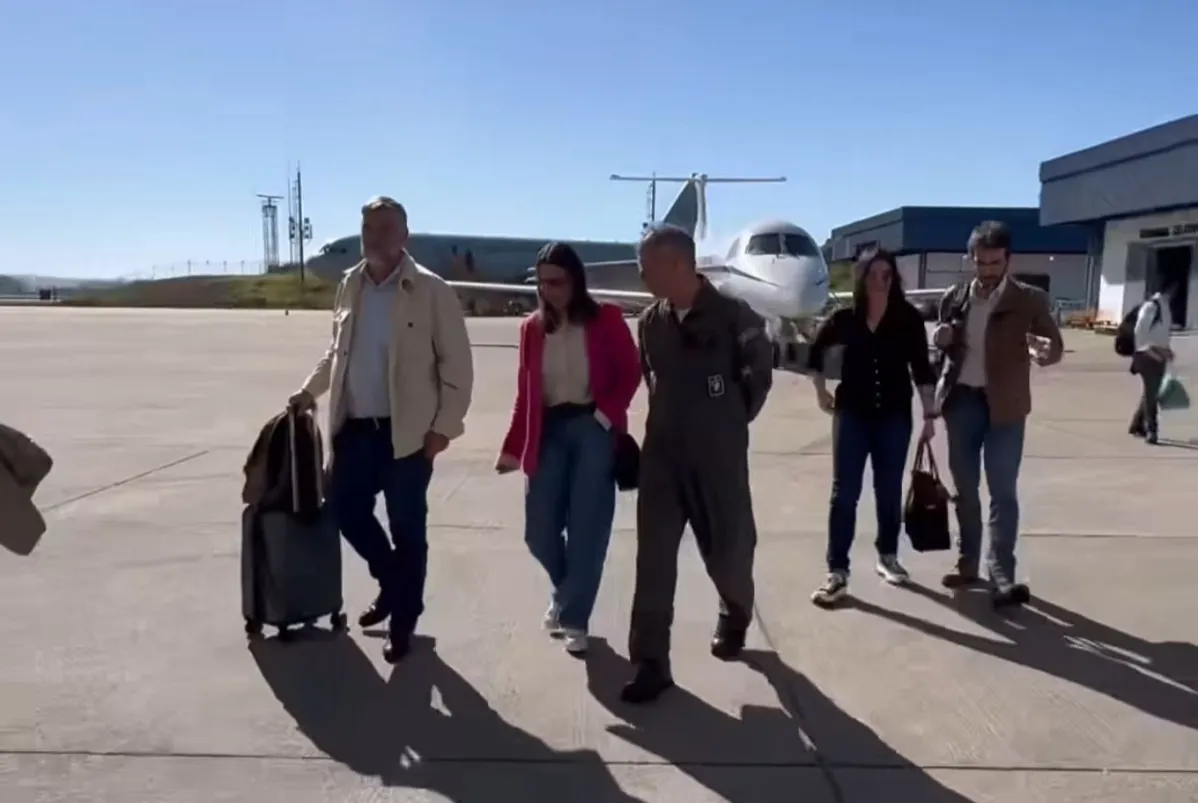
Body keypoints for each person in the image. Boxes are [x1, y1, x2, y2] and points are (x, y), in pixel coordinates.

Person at [288, 195, 474, 663]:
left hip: (408, 433)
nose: (375, 237)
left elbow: (457, 367)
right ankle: (394, 584)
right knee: (344, 511)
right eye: (368, 228)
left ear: (405, 236)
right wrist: (309, 391)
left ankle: (404, 622)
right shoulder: (350, 285)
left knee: (408, 529)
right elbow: (336, 353)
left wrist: (443, 429)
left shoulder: (431, 290)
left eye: (386, 229)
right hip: (355, 429)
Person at [622, 224, 774, 705]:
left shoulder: (735, 317)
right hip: (663, 460)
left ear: (676, 264)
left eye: (646, 266)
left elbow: (758, 379)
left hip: (717, 460)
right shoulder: (651, 323)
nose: (641, 275)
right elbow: (652, 379)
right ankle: (651, 662)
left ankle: (735, 610)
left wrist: (723, 423)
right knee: (653, 562)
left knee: (729, 553)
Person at [495, 242, 642, 656]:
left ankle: (575, 619)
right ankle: (566, 595)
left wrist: (606, 416)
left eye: (556, 282)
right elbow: (525, 393)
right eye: (541, 283)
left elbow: (630, 372)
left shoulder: (607, 318)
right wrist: (512, 447)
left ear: (576, 280)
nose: (548, 290)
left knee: (587, 528)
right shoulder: (531, 328)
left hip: (593, 427)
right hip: (548, 430)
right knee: (538, 531)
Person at [932, 220, 1063, 607]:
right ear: (970, 258)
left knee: (1003, 491)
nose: (987, 269)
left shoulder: (1029, 299)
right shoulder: (955, 296)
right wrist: (942, 338)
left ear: (1008, 259)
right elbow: (945, 344)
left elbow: (1053, 345)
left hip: (1006, 406)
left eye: (995, 262)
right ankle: (968, 562)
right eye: (981, 261)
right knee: (965, 488)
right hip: (962, 402)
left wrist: (1046, 352)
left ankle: (1002, 573)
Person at [807, 247, 937, 607]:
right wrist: (820, 390)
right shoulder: (845, 318)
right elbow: (815, 351)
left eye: (887, 274)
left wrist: (930, 414)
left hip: (894, 415)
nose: (882, 281)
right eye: (875, 274)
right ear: (862, 278)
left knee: (888, 490)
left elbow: (922, 368)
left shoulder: (907, 318)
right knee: (844, 492)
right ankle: (837, 571)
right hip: (852, 414)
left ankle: (888, 556)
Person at [1129, 285, 1174, 444]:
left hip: (1160, 356)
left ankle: (1137, 424)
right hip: (1147, 356)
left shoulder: (1165, 307)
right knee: (1151, 393)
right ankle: (1152, 430)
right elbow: (1139, 334)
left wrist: (1167, 350)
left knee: (1151, 392)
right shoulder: (1151, 307)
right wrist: (1152, 352)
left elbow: (1162, 333)